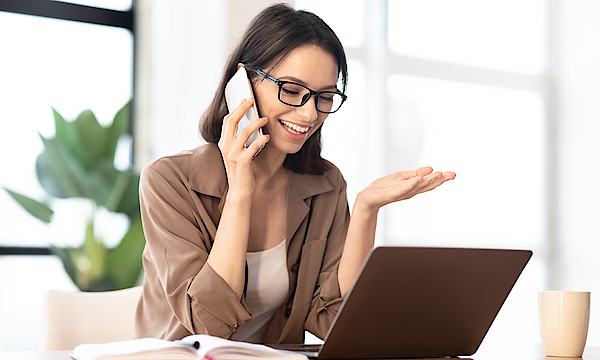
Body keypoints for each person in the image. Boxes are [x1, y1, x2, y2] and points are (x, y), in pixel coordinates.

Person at [135, 3, 455, 345]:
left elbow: (332, 321)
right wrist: (241, 191)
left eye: (325, 97)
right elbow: (208, 325)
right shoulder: (168, 180)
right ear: (243, 82)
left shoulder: (326, 186)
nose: (308, 113)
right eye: (291, 90)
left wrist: (365, 209)